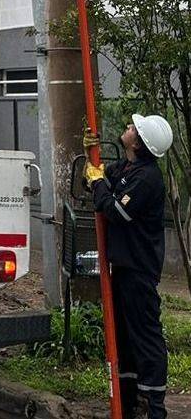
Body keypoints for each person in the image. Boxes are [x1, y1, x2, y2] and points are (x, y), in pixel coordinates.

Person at [85, 113, 174, 419]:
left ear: (138, 142)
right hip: (123, 268)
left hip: (138, 270)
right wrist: (90, 160)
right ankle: (128, 402)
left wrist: (98, 185)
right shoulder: (127, 168)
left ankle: (153, 407)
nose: (126, 128)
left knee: (145, 336)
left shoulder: (147, 178)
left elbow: (116, 211)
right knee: (124, 337)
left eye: (131, 128)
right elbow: (100, 181)